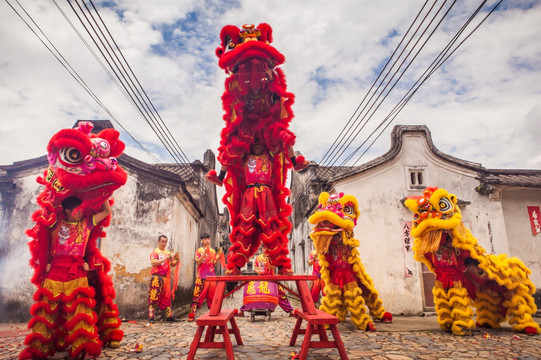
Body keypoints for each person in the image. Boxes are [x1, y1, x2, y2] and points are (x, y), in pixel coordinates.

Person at [20, 196, 113, 360]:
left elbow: (106, 211)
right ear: (68, 211)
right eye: (78, 210)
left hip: (77, 271)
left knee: (81, 313)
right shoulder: (56, 224)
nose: (81, 212)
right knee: (45, 312)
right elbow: (46, 212)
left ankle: (84, 349)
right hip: (55, 271)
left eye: (82, 209)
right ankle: (38, 349)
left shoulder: (87, 223)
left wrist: (105, 191)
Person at [206, 138, 306, 276]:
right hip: (248, 194)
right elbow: (230, 152)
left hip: (266, 194)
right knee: (244, 228)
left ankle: (282, 266)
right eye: (255, 142)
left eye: (261, 142)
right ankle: (236, 266)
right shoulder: (244, 157)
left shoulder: (270, 155)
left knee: (271, 228)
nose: (258, 144)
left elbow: (284, 142)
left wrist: (294, 161)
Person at [188, 234, 222, 321]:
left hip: (211, 276)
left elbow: (213, 264)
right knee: (197, 295)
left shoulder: (213, 251)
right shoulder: (198, 251)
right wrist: (204, 254)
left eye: (208, 239)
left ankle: (214, 313)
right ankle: (192, 314)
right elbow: (198, 262)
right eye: (205, 239)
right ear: (202, 241)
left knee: (212, 297)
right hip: (201, 276)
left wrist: (217, 258)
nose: (207, 241)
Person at [148, 235, 180, 323]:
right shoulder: (155, 252)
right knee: (154, 296)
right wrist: (164, 259)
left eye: (165, 242)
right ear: (158, 242)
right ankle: (151, 317)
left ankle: (169, 315)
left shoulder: (167, 252)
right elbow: (153, 263)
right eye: (162, 241)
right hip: (157, 277)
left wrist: (176, 259)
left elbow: (172, 264)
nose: (164, 243)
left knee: (167, 297)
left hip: (166, 278)